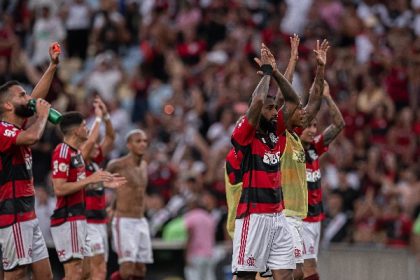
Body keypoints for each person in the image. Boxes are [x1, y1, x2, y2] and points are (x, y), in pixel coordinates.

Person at [231, 43, 300, 280]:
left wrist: (277, 72)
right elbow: (258, 101)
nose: (274, 112)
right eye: (270, 109)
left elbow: (293, 101)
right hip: (254, 216)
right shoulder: (245, 131)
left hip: (278, 215)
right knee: (246, 277)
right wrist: (268, 72)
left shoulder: (275, 132)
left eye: (274, 109)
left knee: (287, 275)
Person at [0, 42, 60, 279]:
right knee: (15, 275)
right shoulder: (2, 129)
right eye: (21, 95)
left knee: (45, 276)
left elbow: (36, 97)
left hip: (28, 214)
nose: (28, 98)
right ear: (7, 105)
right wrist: (43, 116)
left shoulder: (14, 125)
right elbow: (33, 137)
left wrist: (52, 66)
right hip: (12, 213)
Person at [50, 111, 125, 280]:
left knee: (85, 272)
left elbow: (80, 184)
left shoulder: (76, 154)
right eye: (84, 126)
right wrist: (91, 179)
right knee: (75, 273)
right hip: (68, 217)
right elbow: (59, 189)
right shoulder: (62, 151)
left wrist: (101, 183)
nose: (87, 129)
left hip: (79, 217)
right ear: (76, 131)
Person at [280, 40, 329, 280]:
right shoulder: (283, 136)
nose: (304, 112)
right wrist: (292, 62)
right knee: (291, 272)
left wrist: (320, 70)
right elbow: (283, 98)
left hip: (298, 215)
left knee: (298, 272)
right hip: (284, 213)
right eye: (299, 110)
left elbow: (317, 100)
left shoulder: (301, 141)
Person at [300, 81, 345, 280]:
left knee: (305, 269)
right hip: (299, 218)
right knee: (307, 269)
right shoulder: (290, 150)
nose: (312, 130)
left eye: (314, 125)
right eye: (307, 126)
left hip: (316, 216)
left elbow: (338, 125)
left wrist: (326, 96)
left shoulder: (313, 148)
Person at [107, 129, 154, 280]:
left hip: (141, 220)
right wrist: (109, 208)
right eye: (138, 141)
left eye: (145, 141)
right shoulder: (117, 165)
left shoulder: (144, 166)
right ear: (128, 145)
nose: (143, 144)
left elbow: (124, 190)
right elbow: (101, 183)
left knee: (141, 269)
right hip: (124, 220)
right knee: (127, 268)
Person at [84, 97, 115, 279]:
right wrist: (96, 118)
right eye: (93, 143)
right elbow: (90, 143)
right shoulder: (78, 162)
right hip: (87, 223)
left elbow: (110, 137)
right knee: (98, 270)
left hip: (100, 222)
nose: (97, 146)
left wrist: (106, 116)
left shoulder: (94, 164)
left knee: (91, 271)